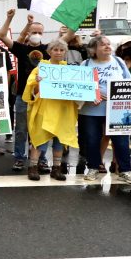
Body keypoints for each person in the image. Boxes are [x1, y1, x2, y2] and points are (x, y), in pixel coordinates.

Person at [1, 9, 77, 174]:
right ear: (28, 32)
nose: (36, 34)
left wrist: (73, 17)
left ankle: (41, 160)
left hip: (44, 99)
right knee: (21, 129)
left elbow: (69, 35)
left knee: (43, 129)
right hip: (23, 96)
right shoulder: (21, 49)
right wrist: (9, 18)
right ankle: (20, 158)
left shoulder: (48, 49)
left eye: (39, 32)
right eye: (33, 32)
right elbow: (2, 36)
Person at [78, 36, 131, 184]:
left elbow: (130, 83)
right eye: (102, 45)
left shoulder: (118, 62)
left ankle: (125, 170)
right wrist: (89, 94)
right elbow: (78, 87)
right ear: (93, 50)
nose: (107, 46)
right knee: (92, 140)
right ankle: (93, 167)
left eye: (108, 44)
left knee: (122, 140)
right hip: (91, 110)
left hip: (116, 109)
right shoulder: (85, 64)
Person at [22, 40, 80, 181]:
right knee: (39, 139)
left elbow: (79, 88)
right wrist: (37, 82)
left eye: (61, 50)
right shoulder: (41, 68)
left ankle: (56, 169)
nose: (58, 52)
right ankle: (33, 168)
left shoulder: (70, 70)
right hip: (45, 109)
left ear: (65, 52)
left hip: (63, 110)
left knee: (60, 140)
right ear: (49, 52)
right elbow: (31, 90)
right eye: (55, 50)